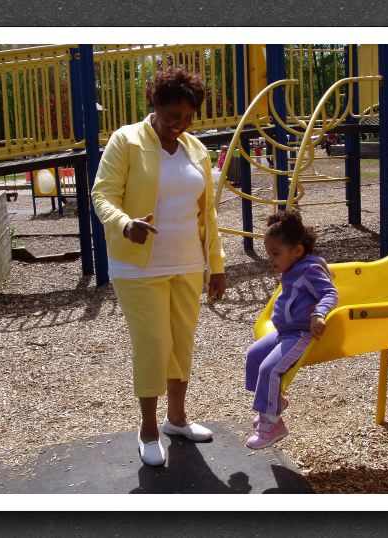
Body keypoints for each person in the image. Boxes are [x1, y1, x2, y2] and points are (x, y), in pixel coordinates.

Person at [91, 67, 227, 467]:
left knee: (181, 343)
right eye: (173, 118)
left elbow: (210, 214)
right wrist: (123, 223)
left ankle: (177, 420)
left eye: (188, 118)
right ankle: (148, 429)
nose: (180, 126)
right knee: (153, 345)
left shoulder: (195, 148)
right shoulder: (126, 140)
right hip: (138, 268)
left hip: (187, 263)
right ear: (155, 104)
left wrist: (215, 265)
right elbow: (102, 195)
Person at [244, 209, 339, 449]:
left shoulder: (308, 269)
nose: (270, 260)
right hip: (284, 331)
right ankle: (274, 403)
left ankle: (272, 424)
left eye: (275, 254)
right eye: (269, 253)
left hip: (300, 333)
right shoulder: (294, 268)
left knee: (269, 368)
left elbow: (329, 292)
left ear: (297, 251)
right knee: (254, 356)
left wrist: (319, 314)